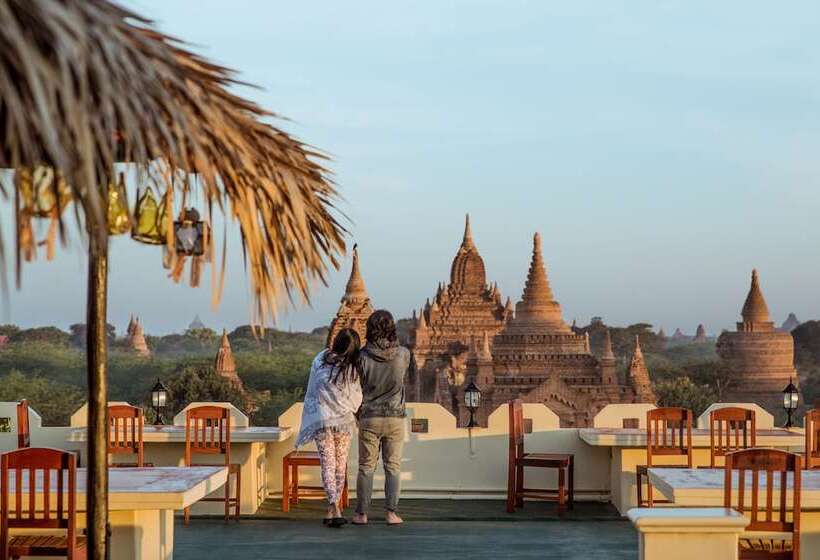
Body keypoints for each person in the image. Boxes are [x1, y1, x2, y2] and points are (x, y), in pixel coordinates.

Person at [295, 328, 363, 528]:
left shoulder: (320, 361)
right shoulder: (352, 368)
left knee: (330, 464)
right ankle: (336, 507)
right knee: (338, 465)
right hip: (341, 421)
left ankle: (332, 507)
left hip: (323, 420)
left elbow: (314, 391)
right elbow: (356, 398)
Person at [353, 310, 414, 526]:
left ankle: (361, 514)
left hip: (370, 415)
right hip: (395, 417)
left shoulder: (361, 356)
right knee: (393, 467)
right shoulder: (404, 354)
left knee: (366, 467)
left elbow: (358, 383)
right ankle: (391, 513)